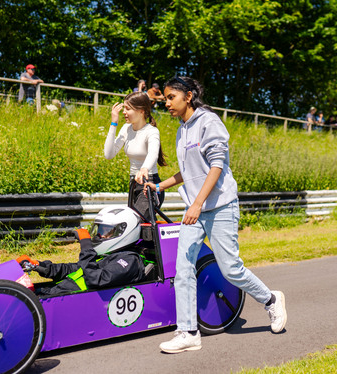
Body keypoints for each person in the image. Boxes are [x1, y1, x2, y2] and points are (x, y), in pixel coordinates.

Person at [144, 76, 287, 354]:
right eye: (164, 97)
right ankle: (188, 332)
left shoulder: (209, 122)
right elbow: (188, 171)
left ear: (187, 96)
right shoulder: (181, 130)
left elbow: (217, 166)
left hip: (219, 206)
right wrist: (160, 185)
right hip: (195, 210)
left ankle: (271, 300)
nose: (166, 102)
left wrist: (197, 203)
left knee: (230, 268)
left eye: (171, 97)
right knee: (183, 269)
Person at [17, 207, 147, 295]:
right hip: (58, 293)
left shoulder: (129, 261)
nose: (99, 236)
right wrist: (40, 266)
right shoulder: (109, 255)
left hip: (67, 300)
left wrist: (86, 244)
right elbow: (75, 269)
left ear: (124, 232)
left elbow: (96, 279)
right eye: (99, 230)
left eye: (106, 232)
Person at [104, 91, 167, 219]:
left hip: (150, 183)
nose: (123, 112)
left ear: (141, 111)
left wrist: (144, 169)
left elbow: (153, 153)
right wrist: (113, 123)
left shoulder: (152, 131)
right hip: (133, 183)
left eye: (128, 109)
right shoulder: (126, 129)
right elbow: (108, 154)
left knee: (138, 221)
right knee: (135, 226)